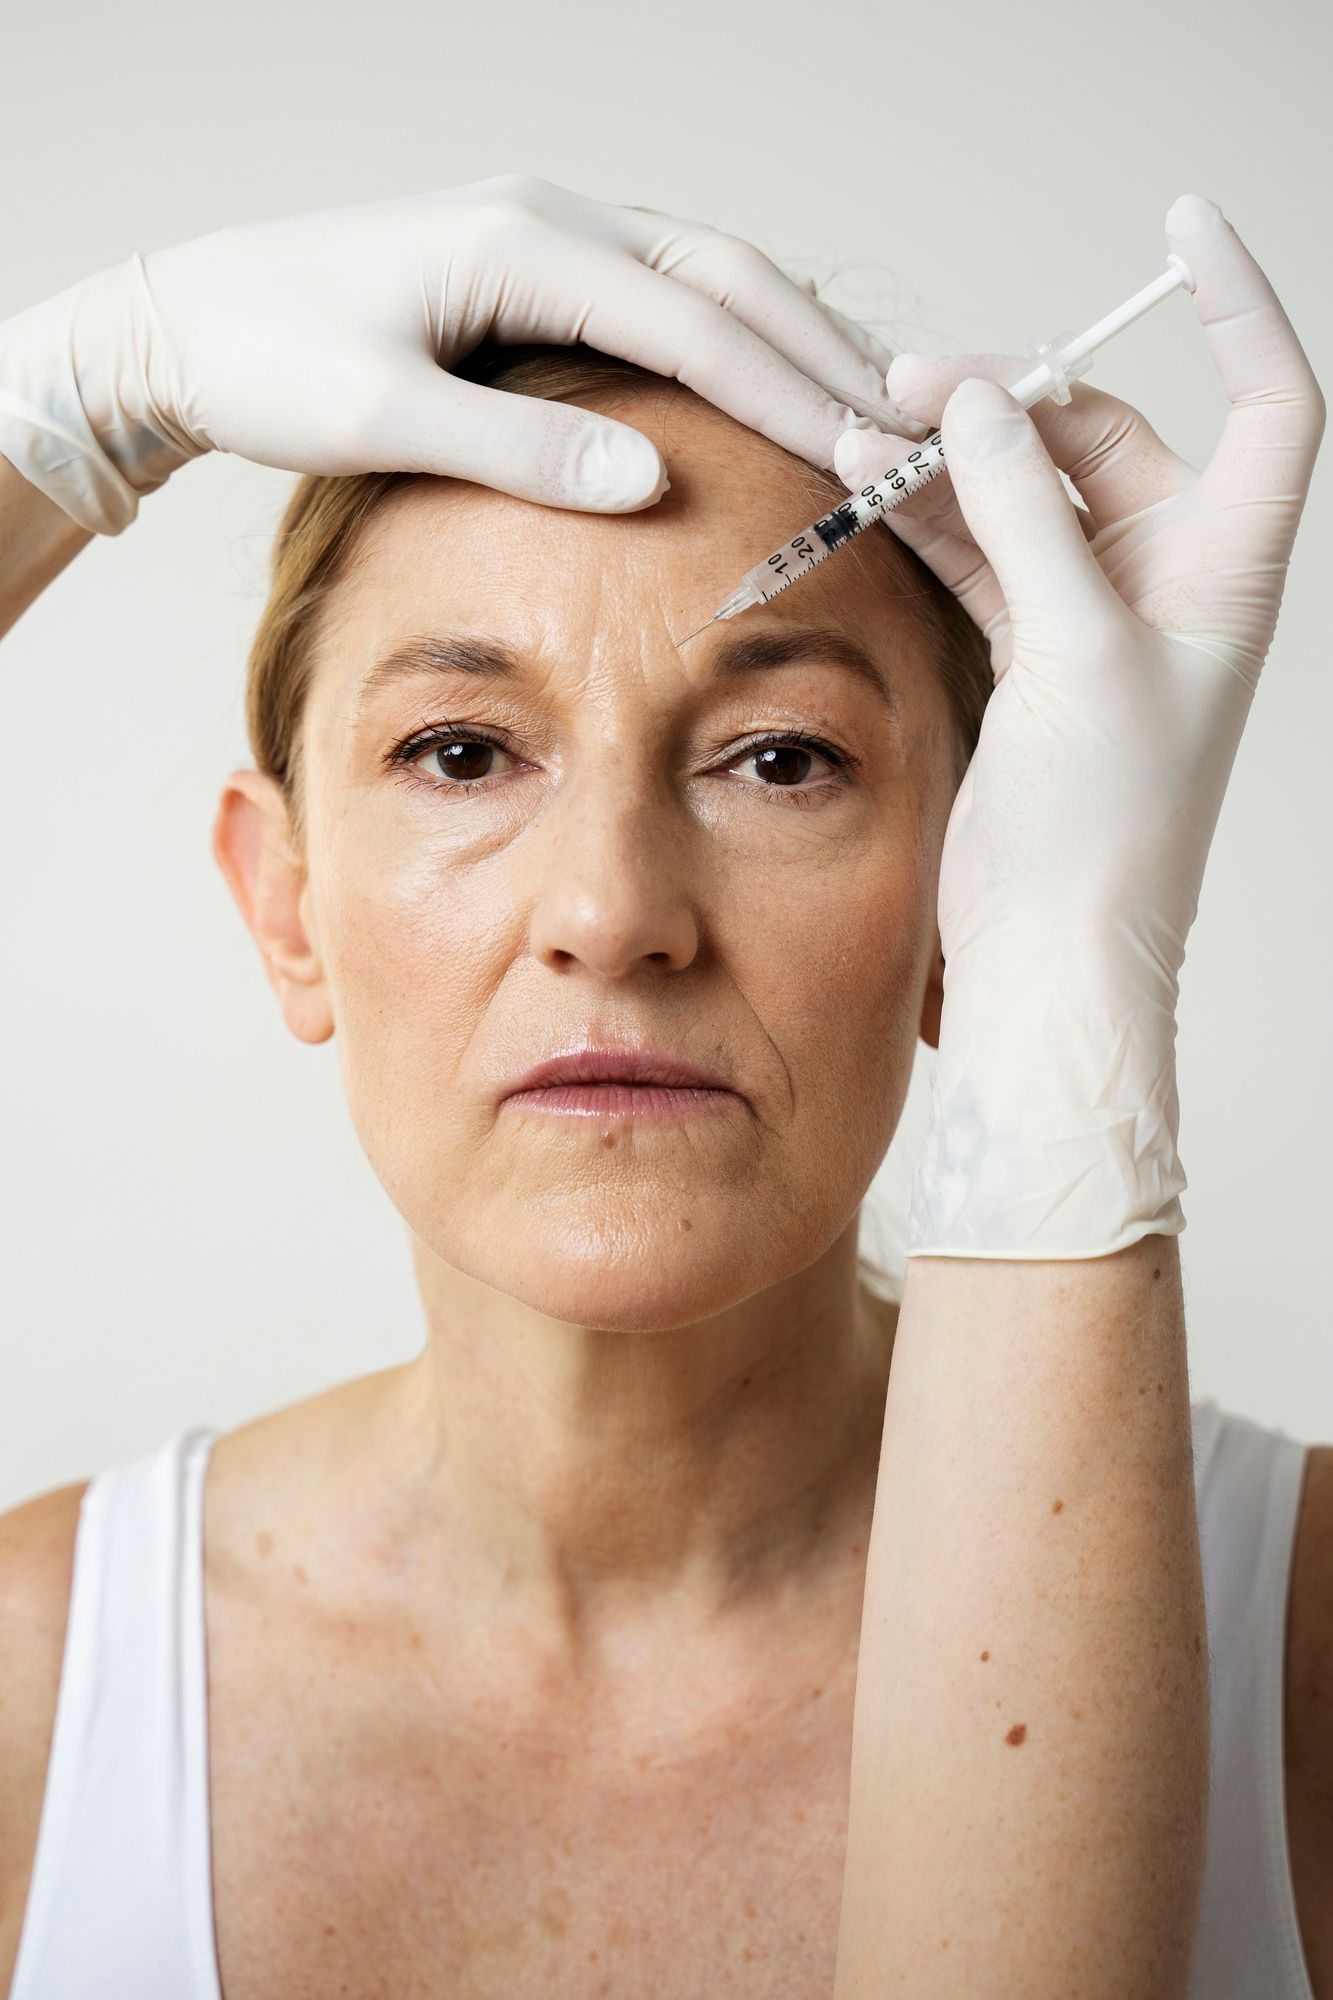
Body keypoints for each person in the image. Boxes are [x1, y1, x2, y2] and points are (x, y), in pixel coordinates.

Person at [0, 176, 1325, 1999]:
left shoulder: (1310, 1645)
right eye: (460, 751)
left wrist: (1075, 988)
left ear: (972, 896)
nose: (613, 914)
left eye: (779, 760)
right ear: (284, 907)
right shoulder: (33, 1685)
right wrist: (73, 395)